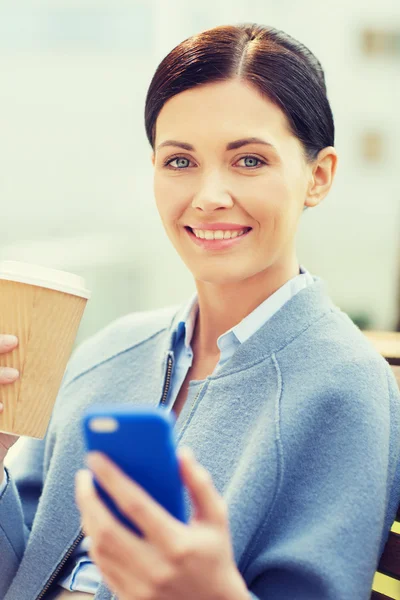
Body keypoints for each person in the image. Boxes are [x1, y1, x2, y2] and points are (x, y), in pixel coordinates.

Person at [1, 22, 399, 600]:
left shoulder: (344, 389)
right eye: (180, 162)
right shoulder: (107, 354)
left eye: (249, 161)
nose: (209, 195)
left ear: (318, 176)